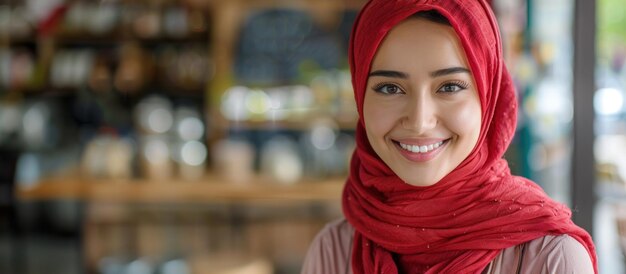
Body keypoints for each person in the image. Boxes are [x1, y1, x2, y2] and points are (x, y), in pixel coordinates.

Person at [301, 0, 597, 273]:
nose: (419, 122)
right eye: (390, 88)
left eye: (450, 87)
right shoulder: (334, 252)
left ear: (488, 95)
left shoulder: (551, 259)